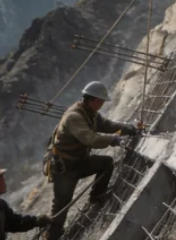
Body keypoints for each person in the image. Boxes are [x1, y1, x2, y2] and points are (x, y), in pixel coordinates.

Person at [46, 81, 141, 240]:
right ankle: (52, 236)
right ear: (92, 100)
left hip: (79, 162)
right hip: (65, 169)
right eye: (101, 101)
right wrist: (114, 140)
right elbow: (90, 139)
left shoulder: (90, 113)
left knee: (106, 163)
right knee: (61, 206)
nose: (102, 104)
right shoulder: (74, 117)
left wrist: (129, 128)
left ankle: (96, 197)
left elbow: (107, 125)